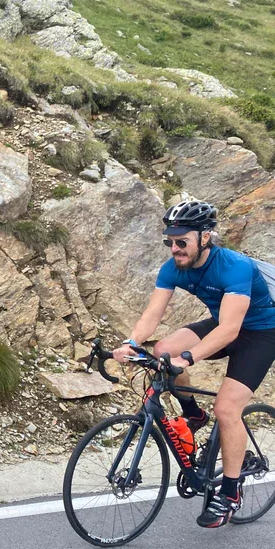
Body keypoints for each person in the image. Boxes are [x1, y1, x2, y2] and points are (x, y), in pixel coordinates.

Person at [113, 199, 275, 528]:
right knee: (161, 349)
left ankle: (229, 493)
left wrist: (187, 358)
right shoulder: (173, 267)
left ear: (205, 237)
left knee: (228, 409)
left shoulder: (234, 267)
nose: (174, 248)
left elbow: (230, 330)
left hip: (260, 333)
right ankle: (193, 414)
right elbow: (153, 314)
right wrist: (132, 343)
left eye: (181, 241)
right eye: (169, 241)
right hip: (222, 325)